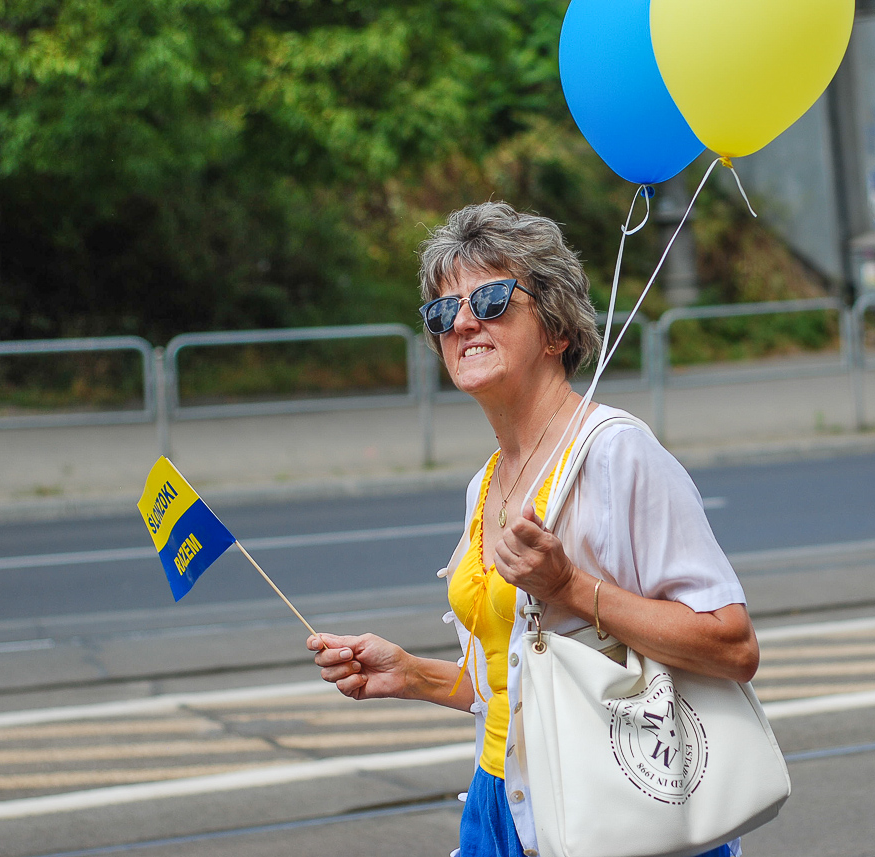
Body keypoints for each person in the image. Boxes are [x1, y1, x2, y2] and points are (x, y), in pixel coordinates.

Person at [308, 202, 759, 857]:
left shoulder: (616, 453)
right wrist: (411, 675)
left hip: (612, 809)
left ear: (555, 328)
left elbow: (733, 646)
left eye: (490, 300)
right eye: (442, 312)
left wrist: (569, 586)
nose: (463, 322)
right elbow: (517, 683)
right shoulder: (486, 482)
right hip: (500, 806)